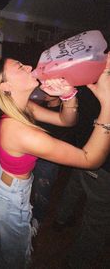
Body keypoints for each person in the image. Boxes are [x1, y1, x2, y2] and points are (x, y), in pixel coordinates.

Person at [0, 54, 110, 269]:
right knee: (16, 254)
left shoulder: (23, 107)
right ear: (5, 86)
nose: (29, 65)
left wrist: (68, 95)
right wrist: (108, 105)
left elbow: (66, 120)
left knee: (10, 244)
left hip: (7, 181)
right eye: (19, 66)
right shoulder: (20, 132)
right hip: (10, 193)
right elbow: (90, 160)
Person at [53, 86, 110, 269]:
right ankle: (78, 262)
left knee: (75, 185)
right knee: (97, 219)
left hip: (83, 149)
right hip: (100, 162)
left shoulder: (91, 71)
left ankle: (60, 220)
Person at [31, 94, 76, 235]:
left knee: (41, 193)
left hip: (48, 161)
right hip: (32, 155)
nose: (45, 92)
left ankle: (38, 219)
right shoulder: (39, 106)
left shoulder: (65, 113)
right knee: (30, 188)